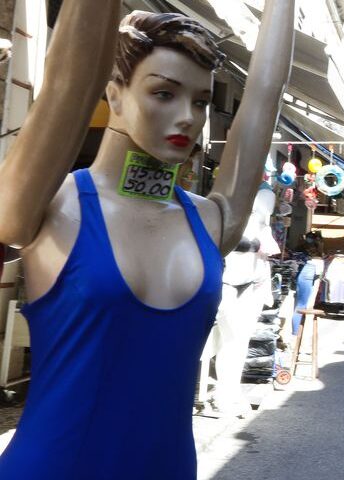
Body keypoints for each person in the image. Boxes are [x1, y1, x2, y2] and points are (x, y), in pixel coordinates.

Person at [0, 5, 294, 478]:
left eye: (201, 102)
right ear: (113, 94)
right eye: (163, 93)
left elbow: (264, 94)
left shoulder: (209, 221)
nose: (188, 117)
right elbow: (68, 79)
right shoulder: (50, 208)